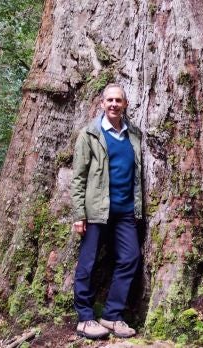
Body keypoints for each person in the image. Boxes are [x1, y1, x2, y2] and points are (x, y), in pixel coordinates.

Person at [71, 84, 142, 339]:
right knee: (87, 264)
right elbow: (78, 178)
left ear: (125, 105)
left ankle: (112, 315)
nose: (113, 104)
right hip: (96, 211)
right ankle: (84, 318)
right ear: (102, 104)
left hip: (125, 211)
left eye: (118, 100)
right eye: (109, 100)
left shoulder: (133, 135)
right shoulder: (89, 134)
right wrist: (79, 214)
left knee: (131, 257)